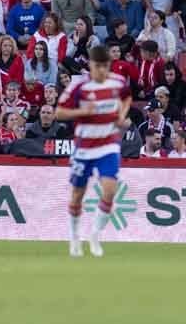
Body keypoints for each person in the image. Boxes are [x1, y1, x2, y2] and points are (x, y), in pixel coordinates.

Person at [55, 45, 131, 258]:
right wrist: (81, 111)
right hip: (84, 147)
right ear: (90, 65)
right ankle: (74, 236)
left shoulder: (118, 82)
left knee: (110, 189)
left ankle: (95, 235)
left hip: (108, 144)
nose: (102, 71)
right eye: (98, 67)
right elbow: (59, 113)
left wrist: (121, 116)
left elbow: (126, 98)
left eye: (105, 67)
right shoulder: (79, 86)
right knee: (77, 195)